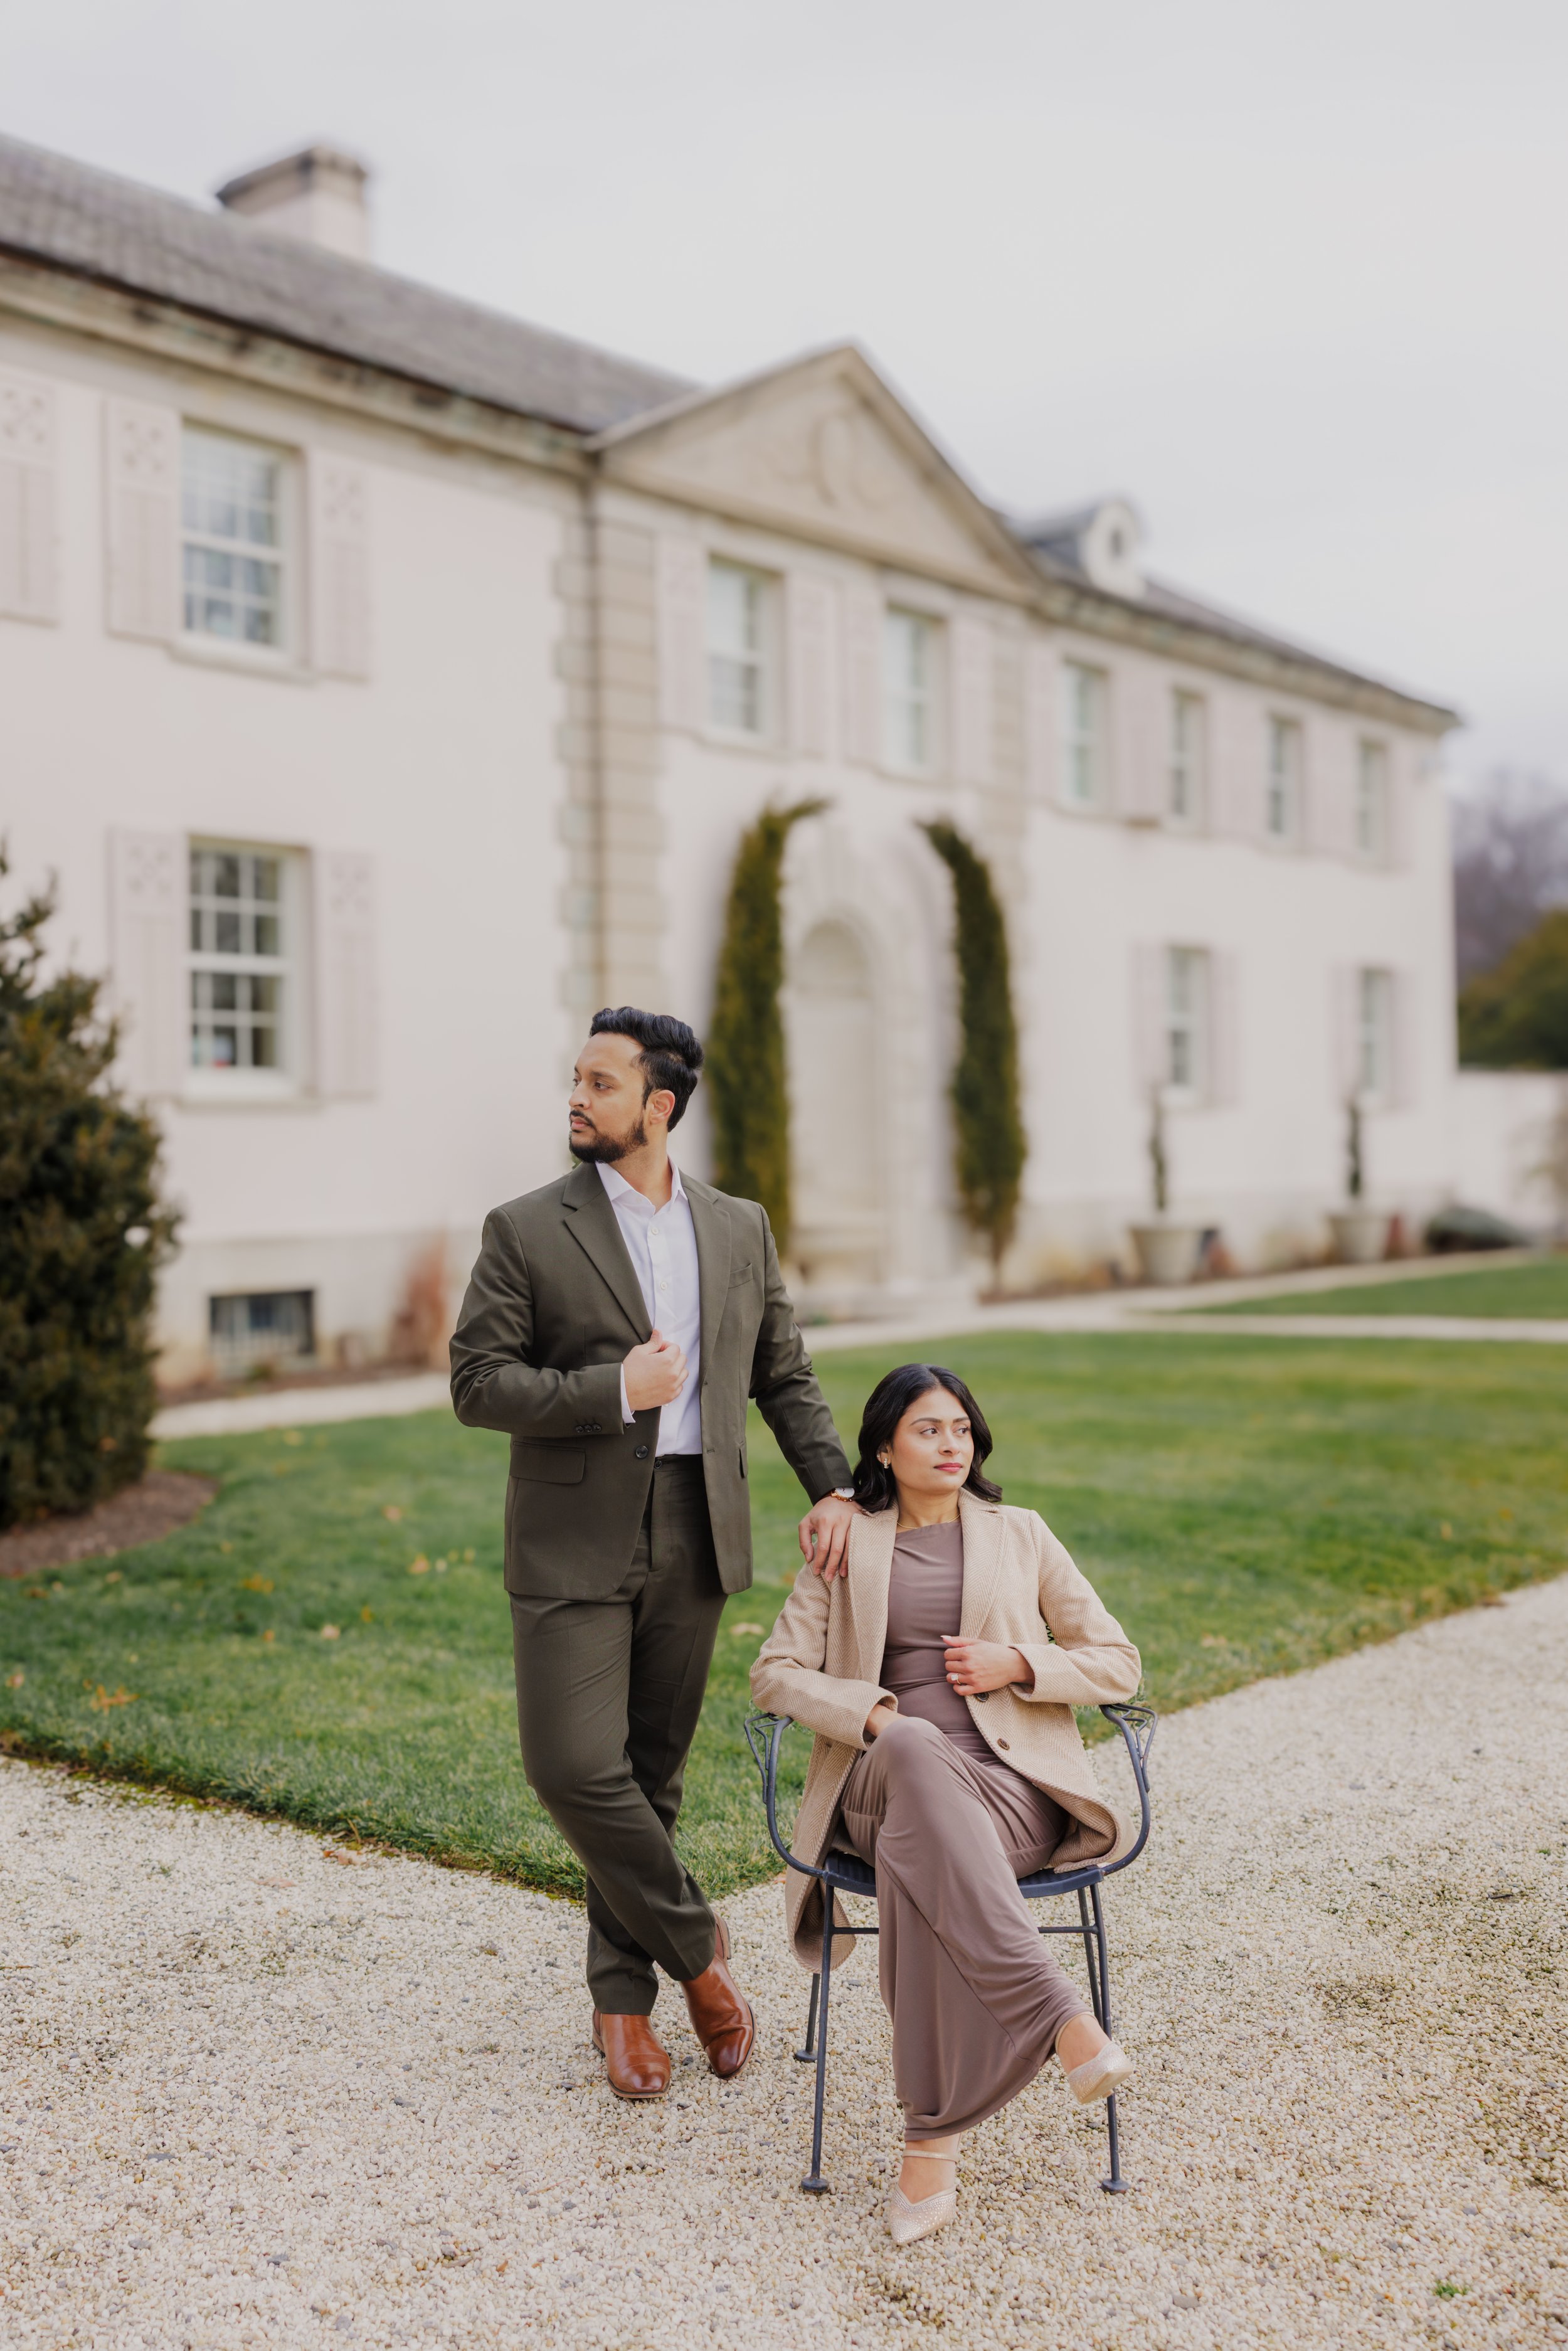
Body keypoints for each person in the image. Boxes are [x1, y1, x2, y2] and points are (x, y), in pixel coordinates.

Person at [449, 1007, 858, 2101]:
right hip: (571, 1533)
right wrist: (608, 1391)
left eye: (600, 1083)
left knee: (648, 1780)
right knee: (573, 1768)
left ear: (660, 1107)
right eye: (574, 1081)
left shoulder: (739, 1227)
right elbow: (476, 1382)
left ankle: (620, 2008)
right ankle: (701, 1953)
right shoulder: (526, 1228)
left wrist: (837, 1490)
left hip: (697, 1523)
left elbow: (784, 1376)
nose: (576, 1100)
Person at [751, 1362, 1141, 2244]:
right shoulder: (849, 1541)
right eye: (928, 1429)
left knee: (919, 1859)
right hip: (878, 1778)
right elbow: (774, 1673)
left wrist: (1022, 1666)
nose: (951, 1443)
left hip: (1011, 1794)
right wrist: (873, 1715)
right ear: (885, 1446)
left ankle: (930, 2143)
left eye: (962, 1428)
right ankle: (1060, 2019)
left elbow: (1119, 1661)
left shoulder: (1021, 1533)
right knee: (918, 1755)